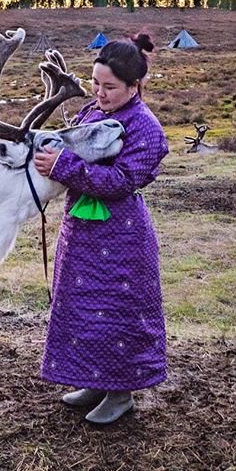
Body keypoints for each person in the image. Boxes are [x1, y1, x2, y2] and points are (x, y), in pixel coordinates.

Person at [34, 32, 169, 424]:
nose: (100, 93)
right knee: (82, 307)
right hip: (81, 232)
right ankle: (93, 381)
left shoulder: (146, 129)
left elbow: (123, 181)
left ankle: (121, 392)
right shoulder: (91, 113)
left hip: (122, 237)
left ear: (134, 85)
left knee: (116, 310)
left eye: (109, 87)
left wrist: (63, 167)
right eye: (95, 83)